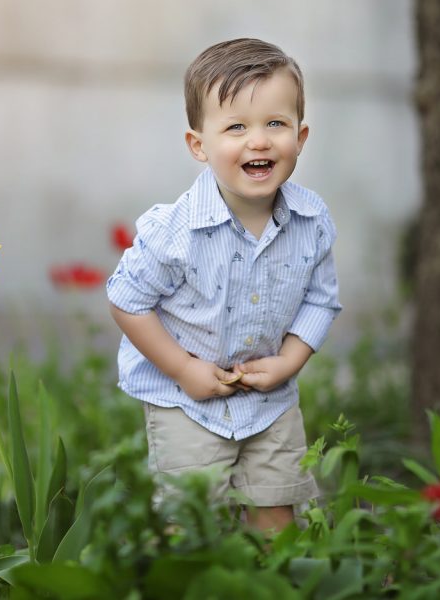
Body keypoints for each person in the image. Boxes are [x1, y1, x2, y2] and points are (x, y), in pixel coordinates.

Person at [106, 38, 341, 532]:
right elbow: (127, 302)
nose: (259, 141)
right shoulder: (175, 232)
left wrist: (289, 363)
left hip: (270, 401)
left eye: (275, 124)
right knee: (193, 518)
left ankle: (270, 584)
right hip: (187, 401)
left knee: (277, 510)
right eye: (236, 127)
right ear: (199, 145)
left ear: (300, 136)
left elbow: (321, 300)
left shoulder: (311, 221)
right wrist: (184, 368)